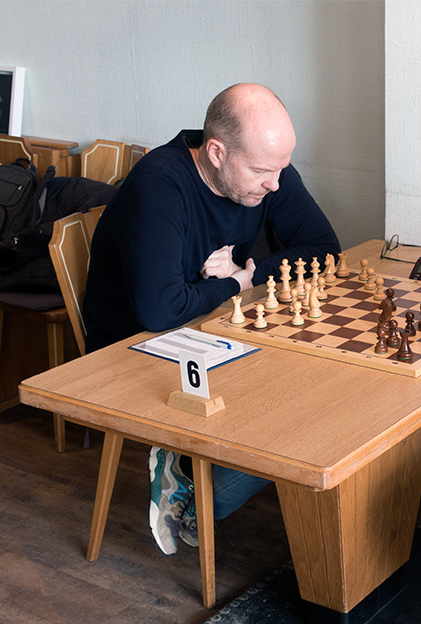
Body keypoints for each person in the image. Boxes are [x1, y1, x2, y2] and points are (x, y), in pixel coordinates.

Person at [82, 83, 341, 556]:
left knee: (318, 390)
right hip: (131, 349)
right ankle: (193, 488)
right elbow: (159, 311)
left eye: (281, 169)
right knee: (290, 403)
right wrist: (235, 286)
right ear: (217, 153)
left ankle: (194, 483)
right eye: (262, 171)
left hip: (207, 326)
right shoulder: (160, 185)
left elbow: (324, 248)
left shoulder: (266, 170)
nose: (275, 185)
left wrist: (249, 272)